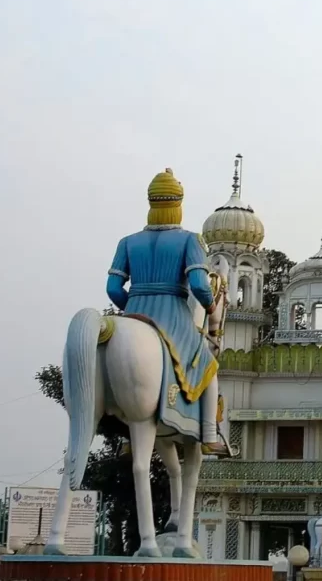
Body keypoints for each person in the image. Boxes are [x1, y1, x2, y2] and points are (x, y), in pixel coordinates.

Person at [106, 169, 229, 456]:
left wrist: (134, 310)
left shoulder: (128, 242)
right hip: (172, 314)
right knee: (209, 366)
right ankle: (210, 435)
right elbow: (199, 285)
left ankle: (128, 436)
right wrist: (211, 306)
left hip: (134, 313)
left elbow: (113, 289)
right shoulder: (190, 240)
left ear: (151, 204)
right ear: (177, 205)